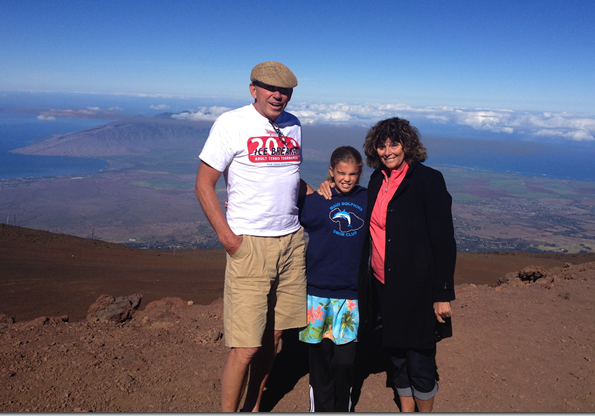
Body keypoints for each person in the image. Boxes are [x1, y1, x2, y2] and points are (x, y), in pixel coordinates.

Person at [194, 60, 309, 412]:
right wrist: (229, 239)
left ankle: (253, 408)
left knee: (274, 336)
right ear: (253, 89)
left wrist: (324, 194)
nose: (278, 95)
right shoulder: (231, 123)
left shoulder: (293, 125)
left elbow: (288, 177)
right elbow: (204, 184)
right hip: (250, 245)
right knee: (245, 347)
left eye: (284, 90)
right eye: (270, 88)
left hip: (291, 242)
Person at [321, 117, 456, 412]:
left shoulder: (428, 180)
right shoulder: (377, 180)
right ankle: (406, 410)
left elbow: (444, 240)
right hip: (383, 284)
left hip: (417, 287)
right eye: (381, 146)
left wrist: (442, 293)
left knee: (419, 355)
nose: (387, 151)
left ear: (407, 145)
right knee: (395, 353)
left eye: (394, 144)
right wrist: (329, 186)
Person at [298, 146, 368, 412]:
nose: (346, 179)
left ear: (359, 173)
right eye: (341, 173)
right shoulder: (318, 200)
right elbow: (283, 207)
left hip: (351, 294)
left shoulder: (367, 199)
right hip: (317, 293)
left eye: (352, 174)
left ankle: (342, 408)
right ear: (331, 171)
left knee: (344, 361)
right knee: (320, 360)